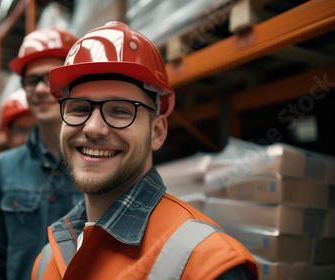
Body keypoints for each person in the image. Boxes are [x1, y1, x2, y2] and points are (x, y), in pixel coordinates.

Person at [31, 21, 259, 280]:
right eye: (79, 108)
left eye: (119, 111)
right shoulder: (46, 261)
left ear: (157, 132)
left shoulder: (210, 265)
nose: (93, 128)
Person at [0, 27, 83, 280]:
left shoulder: (101, 160)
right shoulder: (2, 168)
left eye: (51, 77)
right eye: (32, 81)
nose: (41, 89)